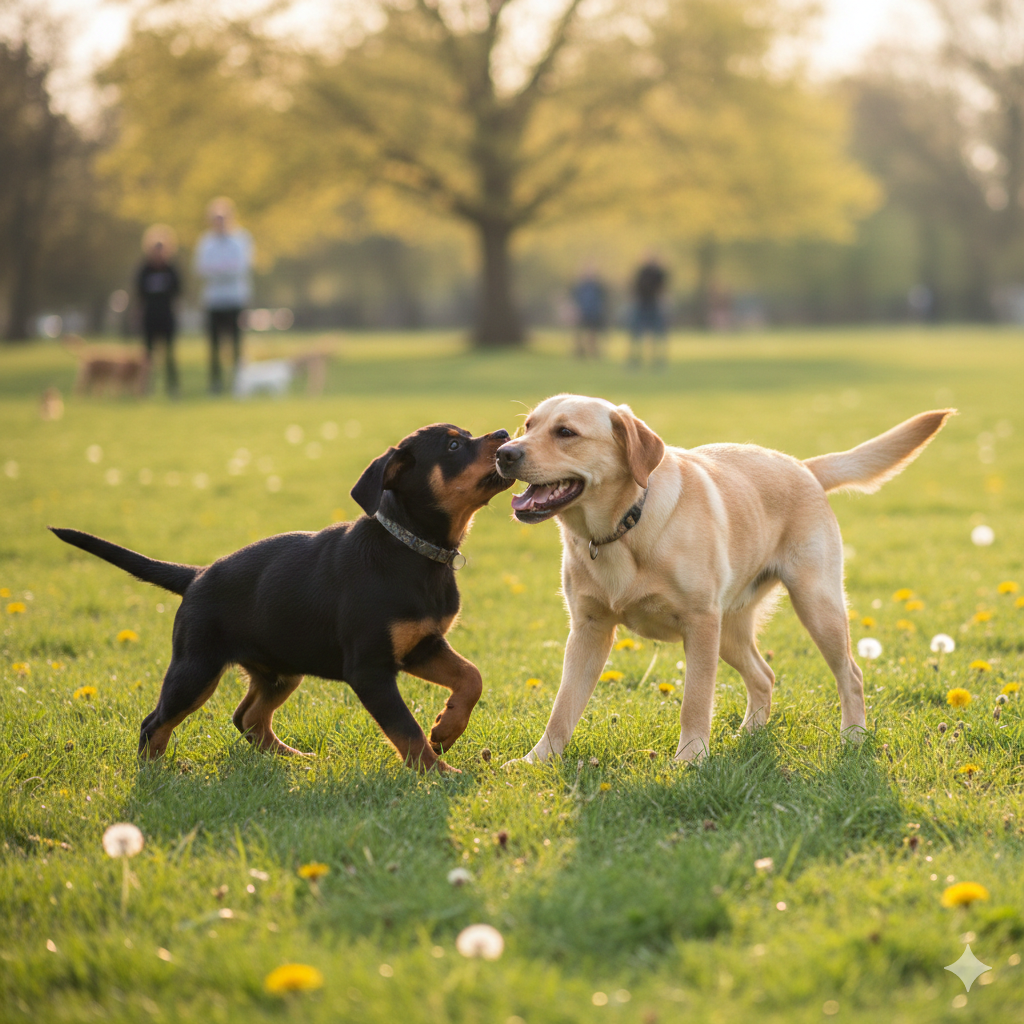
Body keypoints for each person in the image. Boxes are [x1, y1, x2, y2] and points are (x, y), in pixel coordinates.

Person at [193, 197, 253, 393]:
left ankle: (238, 382)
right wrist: (223, 270)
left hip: (235, 299)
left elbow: (240, 268)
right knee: (214, 345)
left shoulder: (241, 239)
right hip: (213, 301)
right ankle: (215, 383)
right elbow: (201, 269)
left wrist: (218, 271)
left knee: (236, 344)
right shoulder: (205, 242)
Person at [136, 224, 181, 396]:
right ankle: (146, 388)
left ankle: (173, 388)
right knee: (147, 356)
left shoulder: (171, 269)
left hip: (166, 315)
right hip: (150, 315)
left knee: (170, 354)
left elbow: (178, 292)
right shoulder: (144, 269)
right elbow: (139, 293)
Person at [629, 251, 668, 367]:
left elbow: (663, 289)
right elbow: (634, 288)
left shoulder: (659, 273)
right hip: (641, 305)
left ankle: (658, 361)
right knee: (637, 334)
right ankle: (635, 360)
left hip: (654, 305)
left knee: (658, 335)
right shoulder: (641, 272)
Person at [570, 265, 608, 359]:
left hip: (594, 312)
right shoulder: (581, 287)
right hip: (582, 311)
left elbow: (602, 300)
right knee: (579, 333)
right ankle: (579, 352)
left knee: (592, 334)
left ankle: (593, 353)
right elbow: (576, 299)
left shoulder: (597, 287)